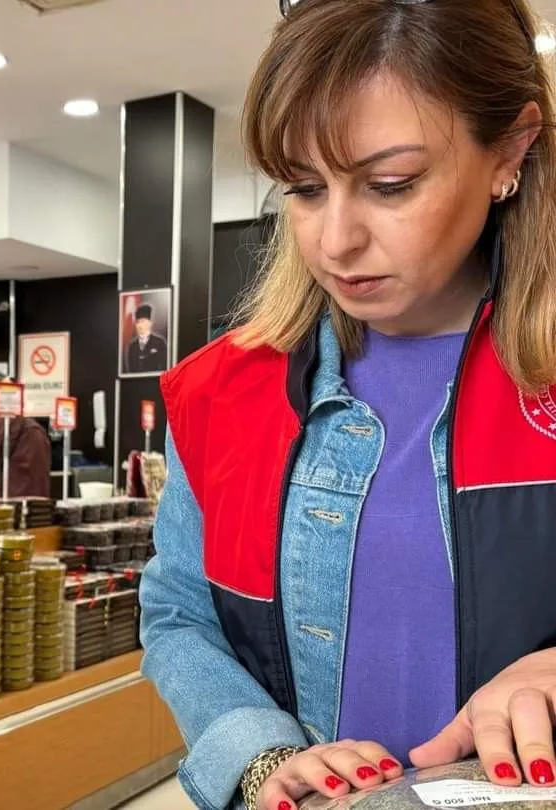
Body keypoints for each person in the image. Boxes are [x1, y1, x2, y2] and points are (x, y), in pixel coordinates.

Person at [139, 2, 556, 810]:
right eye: (302, 187)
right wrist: (260, 758)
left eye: (390, 185)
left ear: (511, 149)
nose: (335, 241)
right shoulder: (221, 394)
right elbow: (179, 612)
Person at [125, 303, 169, 374]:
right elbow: (131, 370)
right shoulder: (132, 346)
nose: (140, 325)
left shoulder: (160, 343)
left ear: (150, 323)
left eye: (143, 321)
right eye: (138, 322)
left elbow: (164, 367)